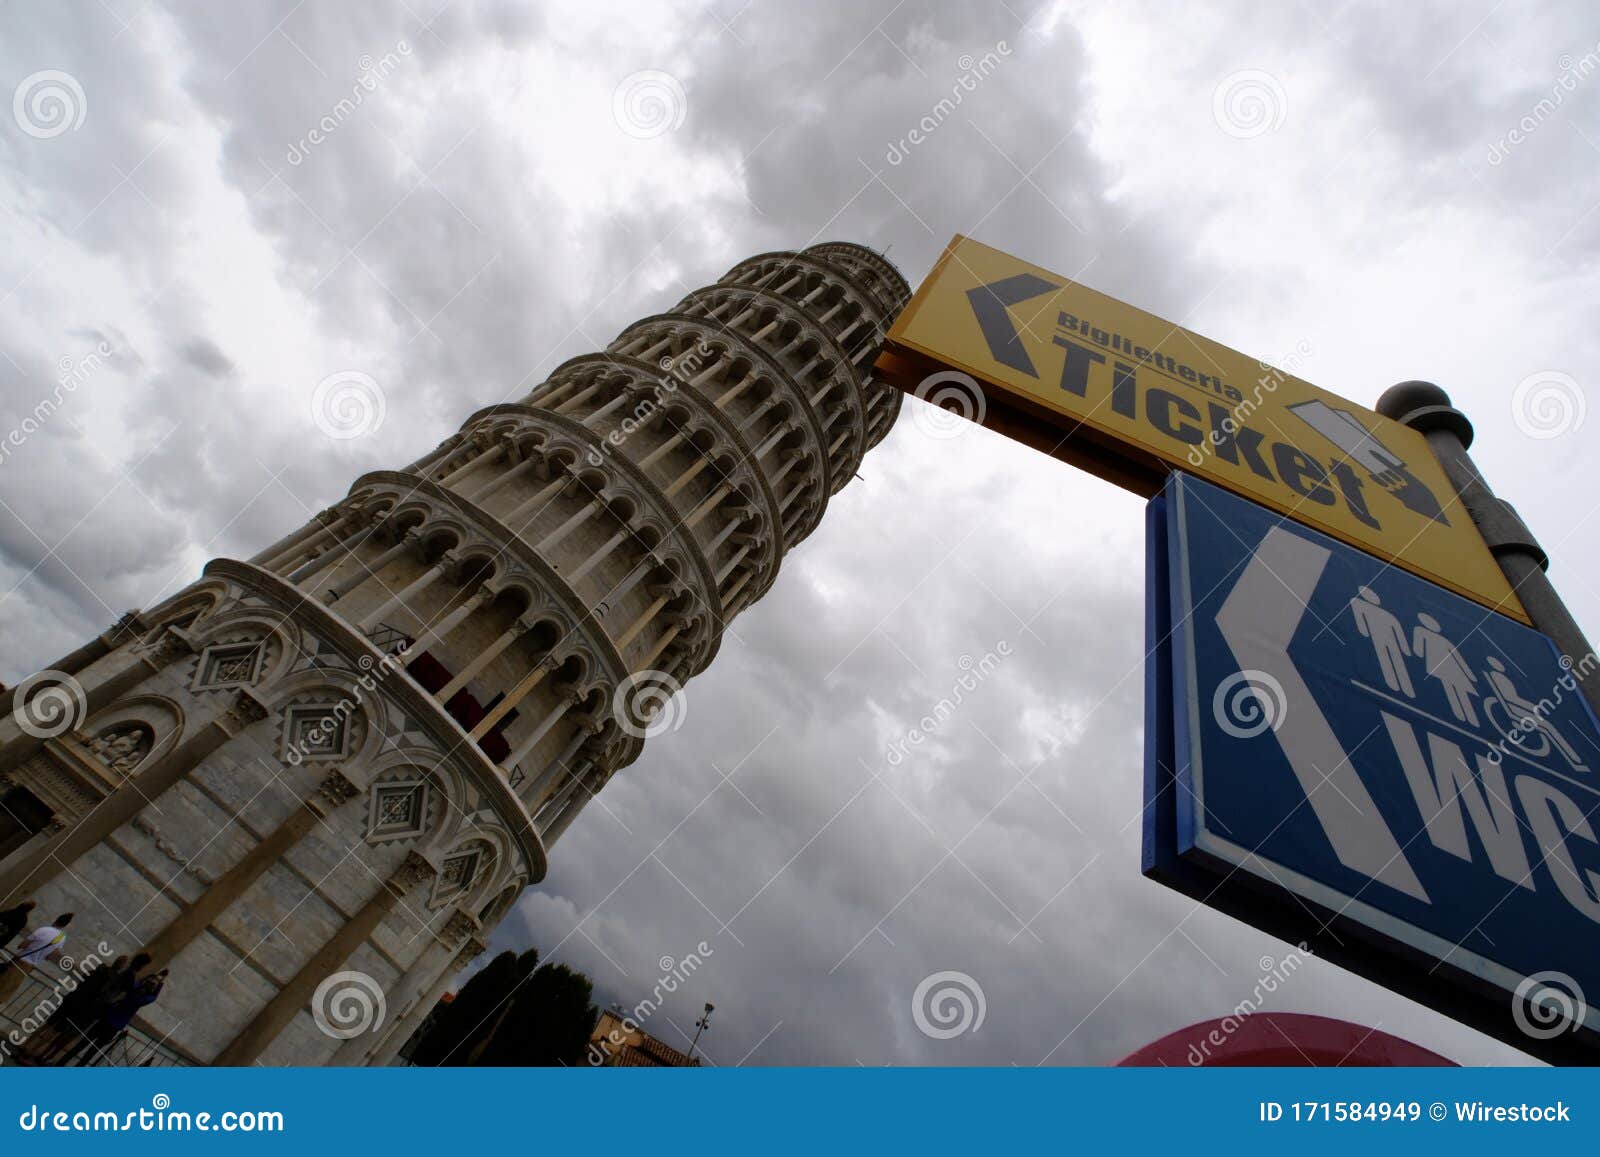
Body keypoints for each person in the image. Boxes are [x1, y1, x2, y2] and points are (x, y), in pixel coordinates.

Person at [73, 969, 166, 1066]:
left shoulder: (133, 990)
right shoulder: (143, 1000)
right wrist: (160, 983)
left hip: (107, 1018)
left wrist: (148, 976)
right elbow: (154, 997)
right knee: (92, 1052)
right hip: (114, 1027)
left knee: (81, 1044)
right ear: (150, 990)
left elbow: (137, 983)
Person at [1411, 612, 1481, 726]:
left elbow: (1418, 650)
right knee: (1455, 689)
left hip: (1444, 666)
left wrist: (1469, 674)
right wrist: (1469, 675)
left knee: (1453, 688)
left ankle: (1464, 716)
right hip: (1448, 667)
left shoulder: (1423, 632)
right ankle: (1466, 716)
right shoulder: (1425, 633)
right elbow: (1458, 658)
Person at [1350, 586, 1415, 697]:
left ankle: (1398, 686)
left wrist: (1405, 649)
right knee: (1391, 660)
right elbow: (1398, 631)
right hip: (1382, 640)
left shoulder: (1363, 606)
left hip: (1383, 640)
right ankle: (1401, 687)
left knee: (1388, 659)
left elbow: (1397, 631)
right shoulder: (1362, 606)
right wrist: (1405, 649)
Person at [0, 912, 73, 1002]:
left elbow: (22, 945)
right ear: (65, 925)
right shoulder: (62, 938)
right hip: (29, 967)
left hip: (19, 961)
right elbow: (50, 955)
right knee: (8, 990)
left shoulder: (44, 930)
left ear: (57, 919)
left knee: (2, 982)